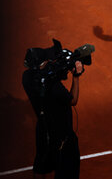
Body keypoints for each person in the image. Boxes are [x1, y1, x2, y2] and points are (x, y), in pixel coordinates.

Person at [22, 46, 84, 178]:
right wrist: (76, 77)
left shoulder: (26, 78)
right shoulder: (55, 87)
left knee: (41, 166)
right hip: (62, 137)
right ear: (40, 65)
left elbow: (44, 74)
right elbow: (72, 100)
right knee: (67, 170)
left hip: (44, 131)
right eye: (45, 61)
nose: (48, 61)